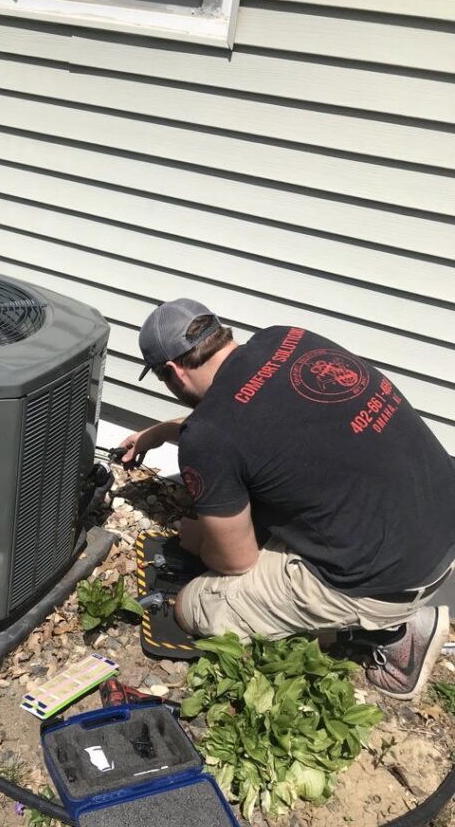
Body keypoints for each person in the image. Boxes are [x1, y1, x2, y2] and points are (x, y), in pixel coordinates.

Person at [119, 299, 455, 700]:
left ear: (172, 372)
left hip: (389, 579)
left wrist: (196, 540)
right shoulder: (288, 339)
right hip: (437, 524)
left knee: (192, 606)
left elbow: (235, 560)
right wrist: (159, 432)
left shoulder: (208, 438)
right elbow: (251, 420)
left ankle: (394, 634)